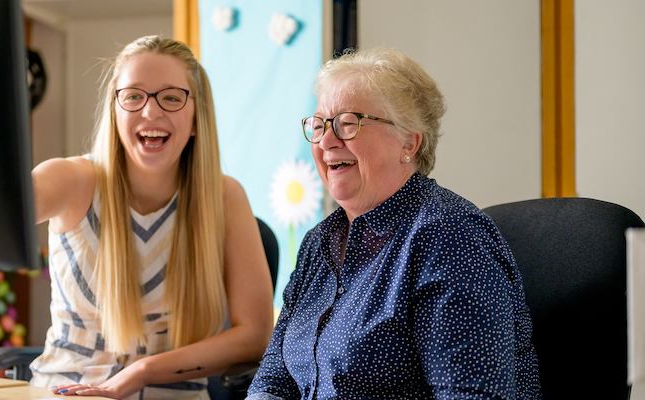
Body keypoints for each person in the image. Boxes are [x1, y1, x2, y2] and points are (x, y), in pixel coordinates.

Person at [247, 48, 541, 399]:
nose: (326, 141)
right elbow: (273, 380)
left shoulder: (450, 236)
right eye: (320, 125)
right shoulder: (318, 243)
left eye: (347, 123)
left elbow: (472, 394)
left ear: (409, 142)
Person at [27, 35, 274, 399]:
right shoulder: (69, 180)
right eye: (133, 96)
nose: (150, 112)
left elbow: (255, 336)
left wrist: (141, 372)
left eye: (171, 98)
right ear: (115, 110)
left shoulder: (225, 197)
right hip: (65, 390)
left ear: (195, 119)